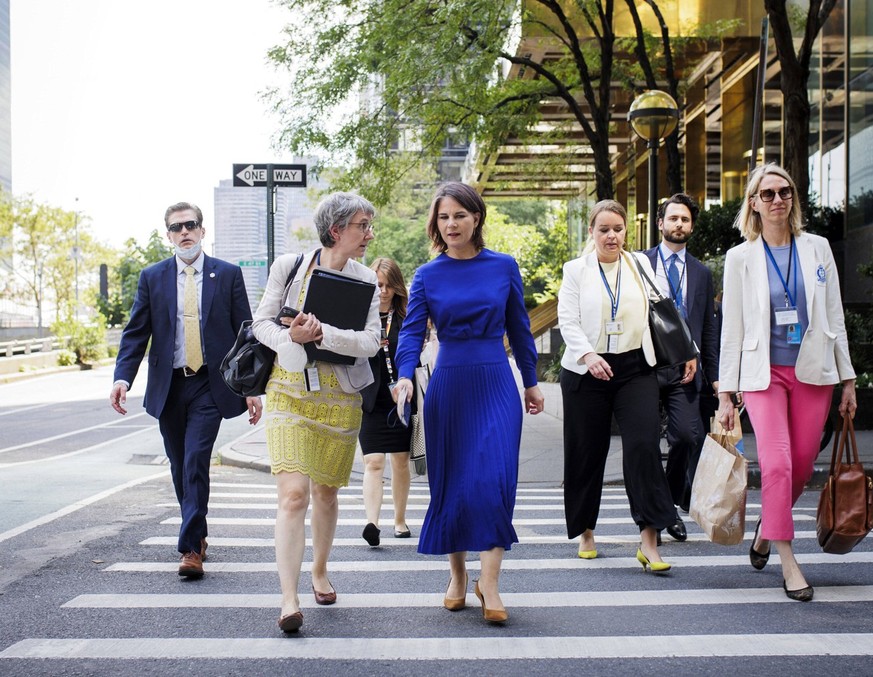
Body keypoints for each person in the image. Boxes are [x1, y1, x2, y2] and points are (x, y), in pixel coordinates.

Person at [392, 182, 544, 625]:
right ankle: (458, 576)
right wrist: (404, 375)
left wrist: (531, 382)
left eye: (459, 215)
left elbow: (520, 328)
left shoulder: (504, 267)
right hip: (449, 388)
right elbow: (410, 332)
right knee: (453, 484)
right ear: (436, 224)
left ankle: (490, 581)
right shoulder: (427, 275)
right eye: (443, 217)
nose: (451, 224)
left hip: (497, 382)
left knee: (494, 480)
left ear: (476, 217)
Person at [716, 163, 856, 602]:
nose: (778, 200)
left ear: (793, 199)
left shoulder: (817, 248)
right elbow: (732, 328)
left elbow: (834, 316)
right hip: (763, 376)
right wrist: (725, 392)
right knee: (776, 465)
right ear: (754, 203)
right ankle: (789, 561)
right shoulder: (741, 257)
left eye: (785, 192)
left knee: (798, 467)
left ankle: (765, 532)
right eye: (768, 193)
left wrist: (848, 380)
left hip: (814, 372)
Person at [251, 192, 381, 633]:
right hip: (288, 391)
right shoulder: (289, 267)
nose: (368, 233)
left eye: (368, 225)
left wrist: (323, 334)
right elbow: (261, 323)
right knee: (293, 495)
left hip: (341, 397)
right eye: (362, 225)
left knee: (326, 493)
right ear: (335, 230)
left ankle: (319, 569)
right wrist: (294, 341)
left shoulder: (367, 278)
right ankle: (288, 599)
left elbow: (369, 342)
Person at [110, 202, 262, 578]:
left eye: (190, 225)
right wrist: (122, 378)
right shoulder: (153, 277)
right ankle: (199, 532)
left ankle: (189, 549)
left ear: (202, 230)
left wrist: (251, 387)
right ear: (169, 235)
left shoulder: (226, 275)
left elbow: (246, 334)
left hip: (211, 385)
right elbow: (135, 333)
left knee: (196, 459)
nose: (184, 232)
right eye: (176, 227)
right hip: (170, 386)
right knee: (180, 466)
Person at [557, 199, 695, 572]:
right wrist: (588, 356)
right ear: (592, 232)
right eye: (604, 229)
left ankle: (649, 539)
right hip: (587, 372)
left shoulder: (641, 265)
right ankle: (586, 530)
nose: (612, 236)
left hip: (636, 368)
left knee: (643, 447)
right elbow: (567, 321)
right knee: (586, 452)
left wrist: (688, 351)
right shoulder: (576, 270)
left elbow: (667, 309)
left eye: (618, 229)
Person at [644, 193, 719, 541]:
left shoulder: (703, 274)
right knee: (643, 443)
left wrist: (716, 377)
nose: (679, 225)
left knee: (689, 438)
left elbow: (708, 329)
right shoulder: (638, 264)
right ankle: (660, 511)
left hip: (687, 370)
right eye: (673, 218)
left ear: (691, 226)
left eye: (685, 220)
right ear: (660, 224)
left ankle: (671, 501)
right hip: (646, 367)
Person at [359, 257, 414, 546]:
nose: (382, 291)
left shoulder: (407, 318)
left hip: (401, 397)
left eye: (387, 286)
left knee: (401, 461)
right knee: (373, 461)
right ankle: (372, 522)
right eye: (378, 285)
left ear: (396, 288)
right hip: (369, 398)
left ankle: (400, 519)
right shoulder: (361, 317)